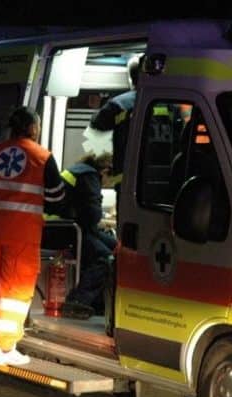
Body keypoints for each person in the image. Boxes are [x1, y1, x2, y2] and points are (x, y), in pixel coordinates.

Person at [0, 106, 65, 366]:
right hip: (20, 234)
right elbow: (57, 200)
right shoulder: (41, 157)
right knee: (14, 291)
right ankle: (5, 348)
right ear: (33, 128)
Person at [59, 152, 117, 323]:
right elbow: (93, 214)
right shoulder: (89, 176)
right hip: (65, 229)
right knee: (105, 257)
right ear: (105, 171)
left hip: (68, 226)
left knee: (117, 247)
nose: (107, 184)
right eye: (108, 181)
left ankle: (98, 302)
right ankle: (78, 301)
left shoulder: (81, 171)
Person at [86, 55, 140, 216]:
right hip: (159, 181)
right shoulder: (168, 103)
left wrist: (104, 103)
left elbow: (97, 124)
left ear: (131, 78)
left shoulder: (120, 104)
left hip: (127, 180)